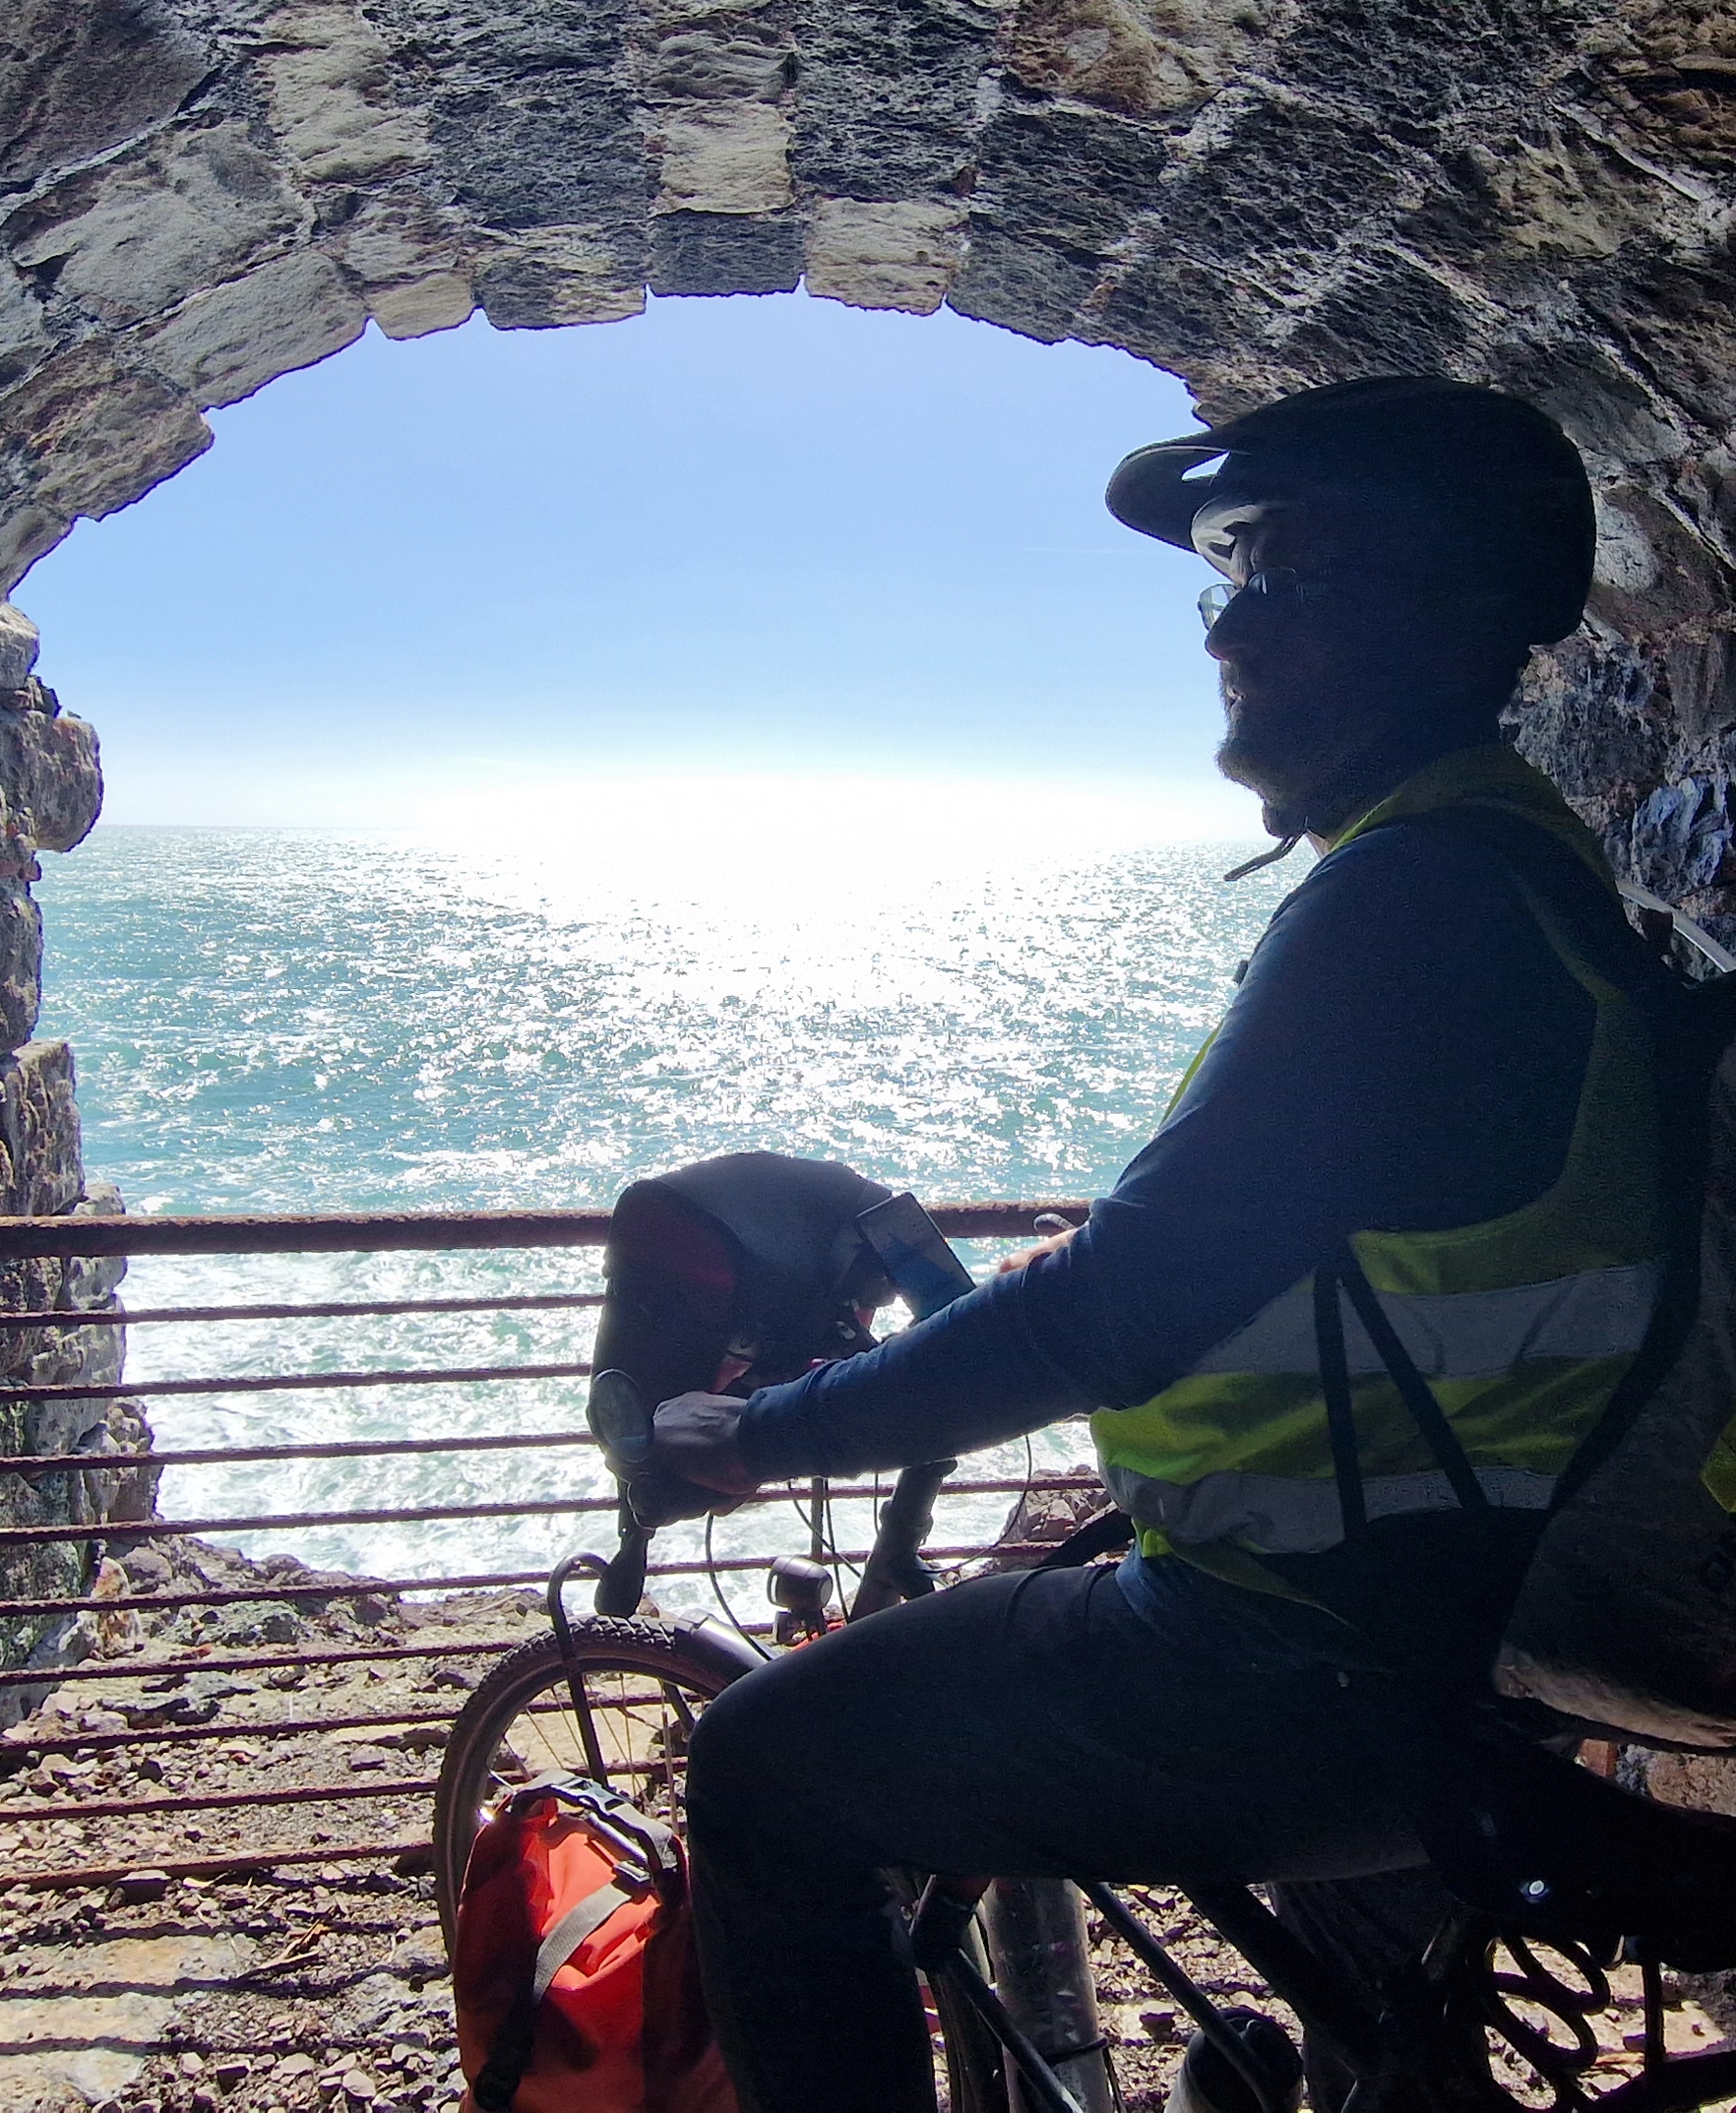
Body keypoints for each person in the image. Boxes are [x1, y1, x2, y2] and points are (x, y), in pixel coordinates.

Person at [658, 377, 1683, 2113]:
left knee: (766, 1766)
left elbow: (1127, 1302)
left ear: (1451, 618)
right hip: (1476, 1605)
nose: (1231, 628)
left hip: (1300, 1650)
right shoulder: (1506, 871)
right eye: (1225, 577)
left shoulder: (1410, 904)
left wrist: (768, 1435)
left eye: (1290, 576)